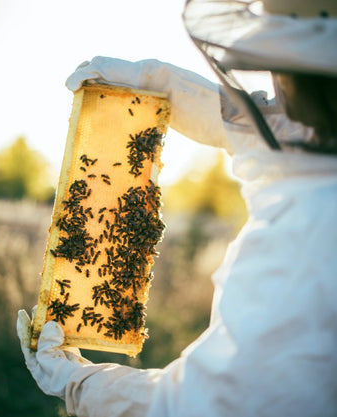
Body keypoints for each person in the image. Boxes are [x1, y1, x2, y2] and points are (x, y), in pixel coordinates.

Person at [17, 0, 337, 416]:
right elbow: (289, 132)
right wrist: (168, 88)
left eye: (278, 60)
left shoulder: (305, 233)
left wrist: (78, 382)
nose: (273, 83)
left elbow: (201, 407)